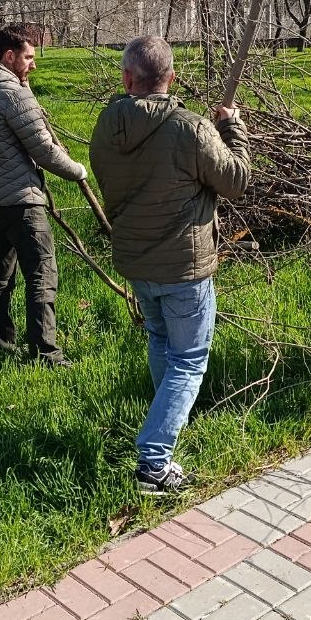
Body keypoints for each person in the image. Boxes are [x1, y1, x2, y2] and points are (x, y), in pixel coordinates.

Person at [89, 35, 251, 495]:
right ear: (172, 78)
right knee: (190, 360)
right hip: (184, 265)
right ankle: (153, 464)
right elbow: (237, 181)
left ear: (127, 78)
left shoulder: (107, 124)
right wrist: (232, 131)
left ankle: (167, 416)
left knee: (161, 341)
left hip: (137, 260)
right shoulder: (192, 128)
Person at [0, 24, 88, 367]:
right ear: (9, 56)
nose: (33, 65)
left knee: (1, 275)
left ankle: (0, 345)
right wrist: (78, 171)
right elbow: (44, 150)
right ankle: (46, 353)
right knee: (42, 272)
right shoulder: (12, 94)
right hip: (19, 198)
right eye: (28, 58)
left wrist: (25, 85)